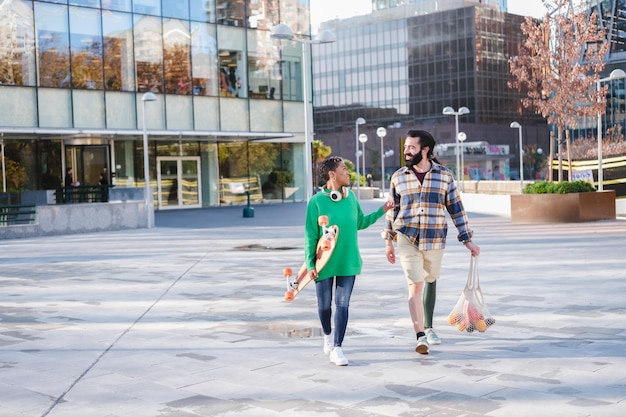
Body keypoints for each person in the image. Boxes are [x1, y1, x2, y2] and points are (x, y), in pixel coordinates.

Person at [382, 130, 480, 355]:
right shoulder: (398, 176)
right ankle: (420, 336)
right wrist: (389, 240)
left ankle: (429, 325)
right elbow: (392, 210)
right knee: (415, 284)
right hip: (407, 236)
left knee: (431, 278)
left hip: (435, 237)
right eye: (406, 147)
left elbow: (456, 208)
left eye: (412, 147)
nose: (407, 151)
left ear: (425, 149)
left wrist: (468, 240)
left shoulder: (444, 176)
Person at [305, 156, 394, 366]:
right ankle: (327, 336)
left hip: (348, 260)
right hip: (324, 262)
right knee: (324, 306)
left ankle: (338, 347)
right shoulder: (316, 202)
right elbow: (310, 235)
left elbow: (360, 223)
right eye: (344, 169)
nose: (348, 173)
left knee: (342, 304)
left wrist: (382, 211)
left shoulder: (351, 198)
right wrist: (310, 264)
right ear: (332, 175)